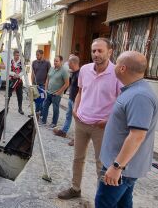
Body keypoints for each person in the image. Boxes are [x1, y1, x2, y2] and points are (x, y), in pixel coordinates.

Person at [58, 38, 122, 200]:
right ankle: (75, 188)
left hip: (101, 126)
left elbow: (121, 102)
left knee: (101, 163)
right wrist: (75, 108)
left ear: (110, 52)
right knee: (78, 158)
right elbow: (80, 91)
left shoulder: (117, 74)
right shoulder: (85, 70)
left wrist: (108, 121)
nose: (96, 54)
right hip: (81, 122)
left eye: (100, 51)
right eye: (94, 51)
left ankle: (101, 197)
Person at [95, 51, 158, 207]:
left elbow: (137, 135)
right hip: (121, 165)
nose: (114, 66)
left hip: (121, 166)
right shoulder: (133, 90)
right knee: (123, 203)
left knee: (104, 203)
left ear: (122, 68)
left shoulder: (139, 96)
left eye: (116, 64)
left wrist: (117, 167)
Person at [53, 55, 80, 146]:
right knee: (68, 116)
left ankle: (77, 139)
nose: (67, 64)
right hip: (71, 99)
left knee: (78, 120)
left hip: (76, 101)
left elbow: (81, 90)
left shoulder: (80, 74)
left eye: (69, 62)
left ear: (72, 63)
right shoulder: (74, 72)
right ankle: (63, 132)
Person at [40, 55, 70, 128]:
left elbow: (67, 84)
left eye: (57, 61)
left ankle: (54, 123)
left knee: (55, 109)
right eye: (54, 61)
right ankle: (43, 120)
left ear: (61, 62)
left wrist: (59, 92)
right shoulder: (51, 68)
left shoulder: (64, 71)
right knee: (45, 106)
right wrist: (46, 89)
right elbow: (47, 79)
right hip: (48, 92)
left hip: (56, 94)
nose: (55, 62)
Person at [31, 49, 51, 119]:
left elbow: (49, 74)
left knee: (41, 100)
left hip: (43, 85)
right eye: (36, 55)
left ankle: (40, 113)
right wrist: (32, 83)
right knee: (36, 100)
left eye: (38, 55)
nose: (37, 56)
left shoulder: (47, 63)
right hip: (36, 85)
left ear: (42, 55)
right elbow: (32, 73)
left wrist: (46, 84)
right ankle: (37, 113)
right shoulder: (34, 62)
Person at [8, 50, 24, 115]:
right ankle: (6, 107)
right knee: (8, 94)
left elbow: (23, 71)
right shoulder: (10, 61)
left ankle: (20, 108)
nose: (17, 56)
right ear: (14, 55)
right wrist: (14, 74)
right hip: (12, 80)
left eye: (18, 55)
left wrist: (19, 75)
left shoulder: (21, 62)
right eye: (16, 55)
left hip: (19, 81)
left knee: (20, 95)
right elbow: (8, 70)